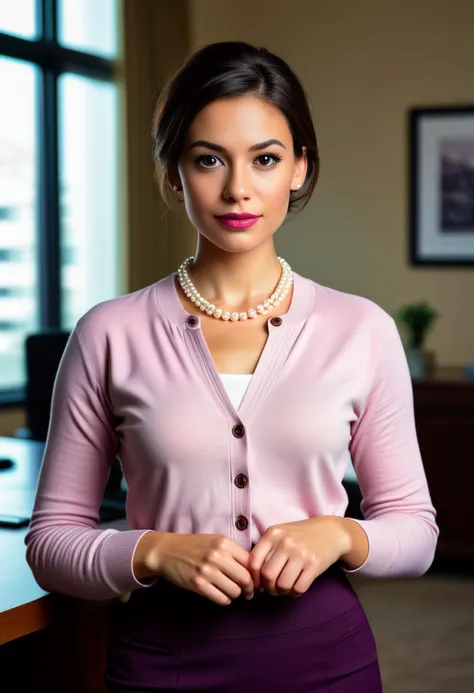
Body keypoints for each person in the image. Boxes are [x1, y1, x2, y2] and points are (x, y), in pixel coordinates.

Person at [25, 41, 439, 692]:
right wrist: (152, 549)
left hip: (328, 659)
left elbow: (416, 531)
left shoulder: (362, 330)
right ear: (173, 173)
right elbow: (51, 542)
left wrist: (338, 534)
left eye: (265, 159)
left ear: (300, 167)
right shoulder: (108, 333)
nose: (238, 188)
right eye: (208, 159)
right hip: (162, 660)